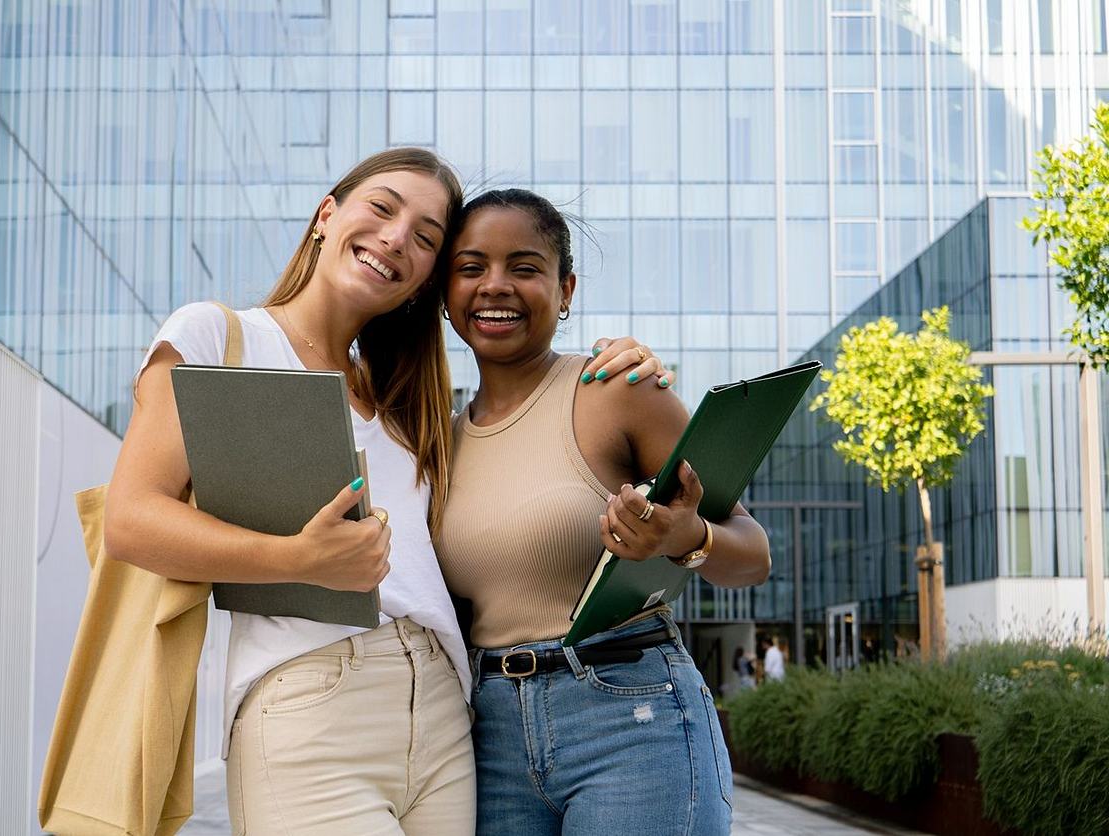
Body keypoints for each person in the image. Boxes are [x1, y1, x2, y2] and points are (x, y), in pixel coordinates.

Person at [103, 150, 664, 836]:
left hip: (444, 714)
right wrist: (300, 560)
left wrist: (621, 362)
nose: (398, 238)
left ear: (425, 278)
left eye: (428, 237)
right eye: (382, 207)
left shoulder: (406, 405)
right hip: (312, 699)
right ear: (326, 215)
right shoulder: (222, 336)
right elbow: (131, 521)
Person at [435, 189, 772, 836]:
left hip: (628, 716)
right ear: (447, 293)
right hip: (489, 734)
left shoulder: (618, 389)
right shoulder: (437, 441)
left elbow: (752, 553)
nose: (495, 286)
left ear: (565, 290)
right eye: (471, 268)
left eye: (525, 268)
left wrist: (686, 535)